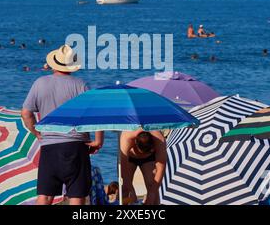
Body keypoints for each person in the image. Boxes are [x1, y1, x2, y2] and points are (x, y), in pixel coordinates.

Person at [21, 44, 104, 206]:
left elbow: (26, 113)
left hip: (49, 147)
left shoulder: (40, 83)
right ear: (72, 66)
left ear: (54, 63)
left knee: (45, 197)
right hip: (76, 147)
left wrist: (36, 132)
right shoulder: (80, 85)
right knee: (76, 196)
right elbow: (96, 115)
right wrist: (98, 140)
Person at [120, 130, 167, 205]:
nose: (140, 155)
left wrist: (152, 193)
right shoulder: (127, 137)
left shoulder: (159, 139)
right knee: (125, 188)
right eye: (139, 152)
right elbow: (122, 168)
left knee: (152, 186)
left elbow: (161, 168)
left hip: (149, 158)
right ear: (135, 142)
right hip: (130, 157)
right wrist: (131, 190)